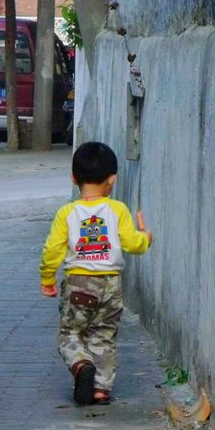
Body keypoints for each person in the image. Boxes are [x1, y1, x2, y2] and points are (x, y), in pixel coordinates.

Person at [39, 141, 153, 405]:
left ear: (73, 177)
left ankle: (80, 364)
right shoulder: (118, 210)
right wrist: (146, 237)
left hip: (78, 283)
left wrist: (47, 279)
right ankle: (101, 389)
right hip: (111, 283)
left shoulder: (67, 213)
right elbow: (132, 243)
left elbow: (52, 250)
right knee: (103, 334)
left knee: (70, 332)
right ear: (111, 180)